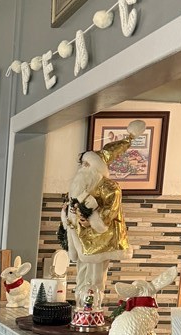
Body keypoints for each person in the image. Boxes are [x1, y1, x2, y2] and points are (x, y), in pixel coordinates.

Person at [59, 119, 145, 303]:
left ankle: (92, 308)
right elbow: (71, 207)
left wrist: (90, 217)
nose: (83, 168)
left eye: (87, 164)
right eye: (82, 163)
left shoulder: (110, 187)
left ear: (97, 168)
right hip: (80, 239)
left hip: (100, 242)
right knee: (81, 275)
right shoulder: (80, 185)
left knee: (95, 278)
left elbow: (108, 215)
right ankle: (80, 307)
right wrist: (66, 216)